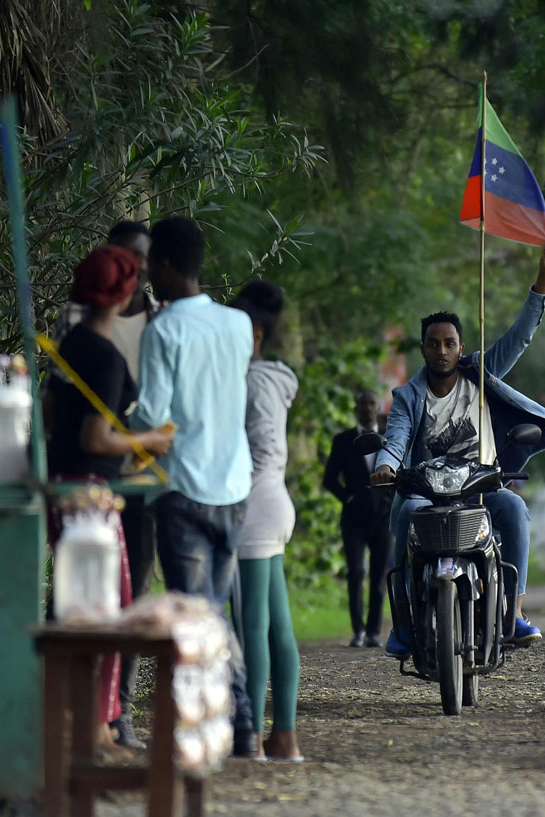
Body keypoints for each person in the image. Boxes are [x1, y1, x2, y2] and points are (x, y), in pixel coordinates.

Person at [371, 239, 545, 656]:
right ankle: (405, 623)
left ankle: (512, 614)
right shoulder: (409, 396)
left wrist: (544, 277)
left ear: (461, 348)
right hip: (424, 496)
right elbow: (395, 439)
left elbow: (520, 337)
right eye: (434, 343)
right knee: (407, 514)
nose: (442, 350)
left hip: (480, 489)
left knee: (515, 509)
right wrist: (385, 466)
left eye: (450, 343)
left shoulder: (480, 375)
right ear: (423, 349)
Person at [130, 216, 259, 756]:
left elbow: (154, 422)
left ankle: (220, 728)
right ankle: (239, 728)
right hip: (234, 487)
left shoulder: (162, 330)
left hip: (182, 490)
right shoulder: (238, 324)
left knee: (196, 617)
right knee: (217, 610)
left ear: (163, 265)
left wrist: (120, 428)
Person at [46, 245, 174, 758]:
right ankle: (96, 730)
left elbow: (54, 412)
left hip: (62, 485)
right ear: (124, 295)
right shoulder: (105, 357)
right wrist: (149, 443)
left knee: (79, 609)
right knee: (112, 608)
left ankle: (78, 723)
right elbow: (98, 438)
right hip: (92, 496)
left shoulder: (71, 343)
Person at [230, 281, 302, 763]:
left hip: (252, 505)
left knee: (251, 625)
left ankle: (251, 735)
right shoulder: (279, 377)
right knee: (278, 624)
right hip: (276, 500)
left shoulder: (243, 380)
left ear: (253, 335)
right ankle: (285, 737)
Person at [323, 389, 393, 648]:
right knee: (356, 572)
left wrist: (391, 499)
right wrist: (347, 498)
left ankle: (374, 631)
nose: (366, 409)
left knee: (378, 576)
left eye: (371, 404)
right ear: (356, 409)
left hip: (383, 517)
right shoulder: (342, 440)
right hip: (353, 519)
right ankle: (358, 631)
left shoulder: (390, 439)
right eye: (362, 404)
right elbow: (329, 479)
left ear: (378, 408)